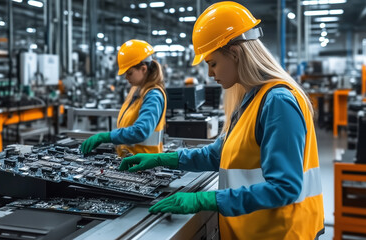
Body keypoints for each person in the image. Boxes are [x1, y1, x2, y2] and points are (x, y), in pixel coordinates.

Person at [118, 2, 324, 239]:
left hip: (280, 232)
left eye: (212, 63)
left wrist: (205, 199)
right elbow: (218, 154)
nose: (209, 73)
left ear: (235, 53)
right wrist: (160, 159)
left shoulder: (277, 102)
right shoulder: (251, 99)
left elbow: (284, 188)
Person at [81, 39, 167, 157]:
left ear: (143, 69)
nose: (126, 77)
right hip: (128, 161)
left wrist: (106, 137)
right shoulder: (136, 90)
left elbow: (140, 131)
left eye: (129, 73)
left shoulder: (153, 96)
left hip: (144, 166)